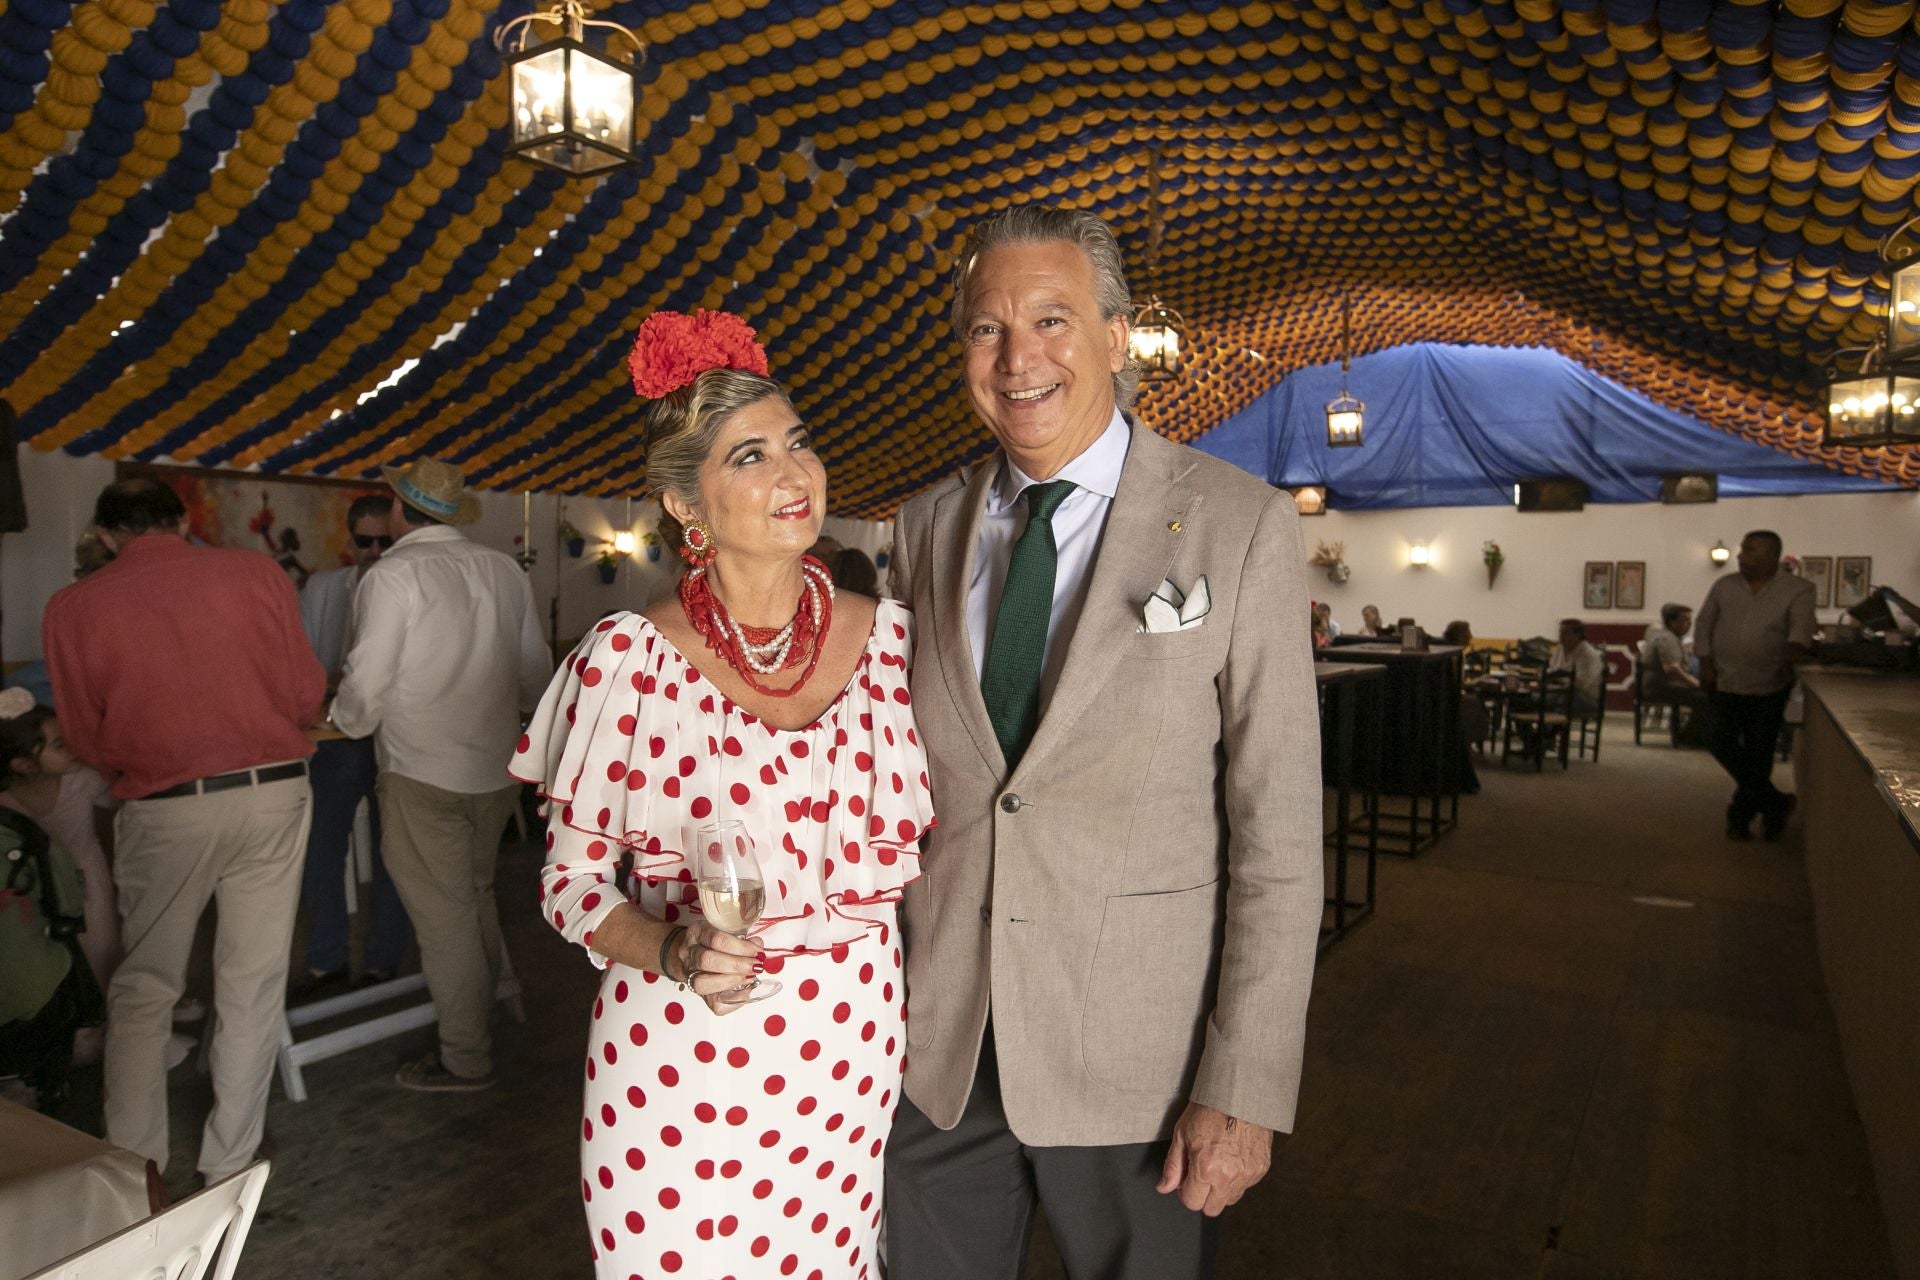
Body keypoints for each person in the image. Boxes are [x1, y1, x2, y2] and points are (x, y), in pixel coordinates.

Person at [885, 205, 1323, 1278]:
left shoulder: (1242, 522)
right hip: (940, 1055)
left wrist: (1246, 1080)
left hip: (1141, 1067)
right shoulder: (922, 529)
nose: (1017, 356)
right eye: (986, 329)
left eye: (1051, 318)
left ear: (1119, 337)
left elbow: (1280, 835)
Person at [509, 308, 931, 1279]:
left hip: (848, 1054)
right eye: (750, 456)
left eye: (800, 443)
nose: (795, 475)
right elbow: (569, 886)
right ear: (686, 506)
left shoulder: (897, 643)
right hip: (680, 1059)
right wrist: (668, 943)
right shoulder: (628, 661)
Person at [42, 477, 324, 1186]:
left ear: (107, 536)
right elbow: (302, 695)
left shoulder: (74, 606)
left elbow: (81, 732)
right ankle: (230, 1160)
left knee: (145, 989)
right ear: (181, 520)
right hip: (274, 793)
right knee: (252, 982)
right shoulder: (255, 572)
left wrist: (137, 762)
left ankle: (138, 1173)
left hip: (166, 803)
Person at [330, 459, 550, 1092]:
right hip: (493, 768)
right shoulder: (502, 570)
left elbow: (365, 686)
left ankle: (466, 1057)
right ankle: (494, 1010)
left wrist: (343, 721)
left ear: (399, 510)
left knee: (446, 918)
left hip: (422, 770)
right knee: (474, 897)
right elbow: (535, 674)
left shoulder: (393, 574)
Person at [292, 494, 413, 1000]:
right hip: (335, 737)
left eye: (385, 540)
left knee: (394, 854)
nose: (375, 550)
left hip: (397, 735)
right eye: (365, 541)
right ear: (351, 539)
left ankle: (384, 960)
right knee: (320, 851)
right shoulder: (322, 587)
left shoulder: (409, 580)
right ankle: (326, 961)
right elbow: (298, 659)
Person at [1694, 530, 1816, 840]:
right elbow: (1704, 624)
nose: (1741, 556)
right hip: (1724, 679)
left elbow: (1800, 633)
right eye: (1742, 550)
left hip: (1768, 684)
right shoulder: (1725, 585)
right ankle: (1775, 802)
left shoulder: (1798, 590)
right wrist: (1705, 663)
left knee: (1758, 753)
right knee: (1716, 738)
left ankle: (1740, 817)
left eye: (1749, 551)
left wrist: (1787, 659)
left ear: (1771, 556)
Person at [0, 697, 120, 997]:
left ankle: (106, 1021)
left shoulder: (82, 780)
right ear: (24, 765)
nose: (72, 748)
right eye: (59, 745)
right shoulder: (5, 802)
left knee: (101, 947)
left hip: (87, 877)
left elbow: (125, 805)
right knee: (48, 954)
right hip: (33, 887)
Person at [1548, 618, 1605, 715]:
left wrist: (1558, 679)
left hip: (1586, 698)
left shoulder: (1588, 654)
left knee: (1564, 699)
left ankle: (1554, 728)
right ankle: (1531, 729)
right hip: (1559, 691)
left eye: (1566, 633)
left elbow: (1581, 683)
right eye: (1560, 632)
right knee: (1528, 699)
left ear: (1577, 635)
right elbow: (1551, 668)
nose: (1561, 636)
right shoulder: (1560, 648)